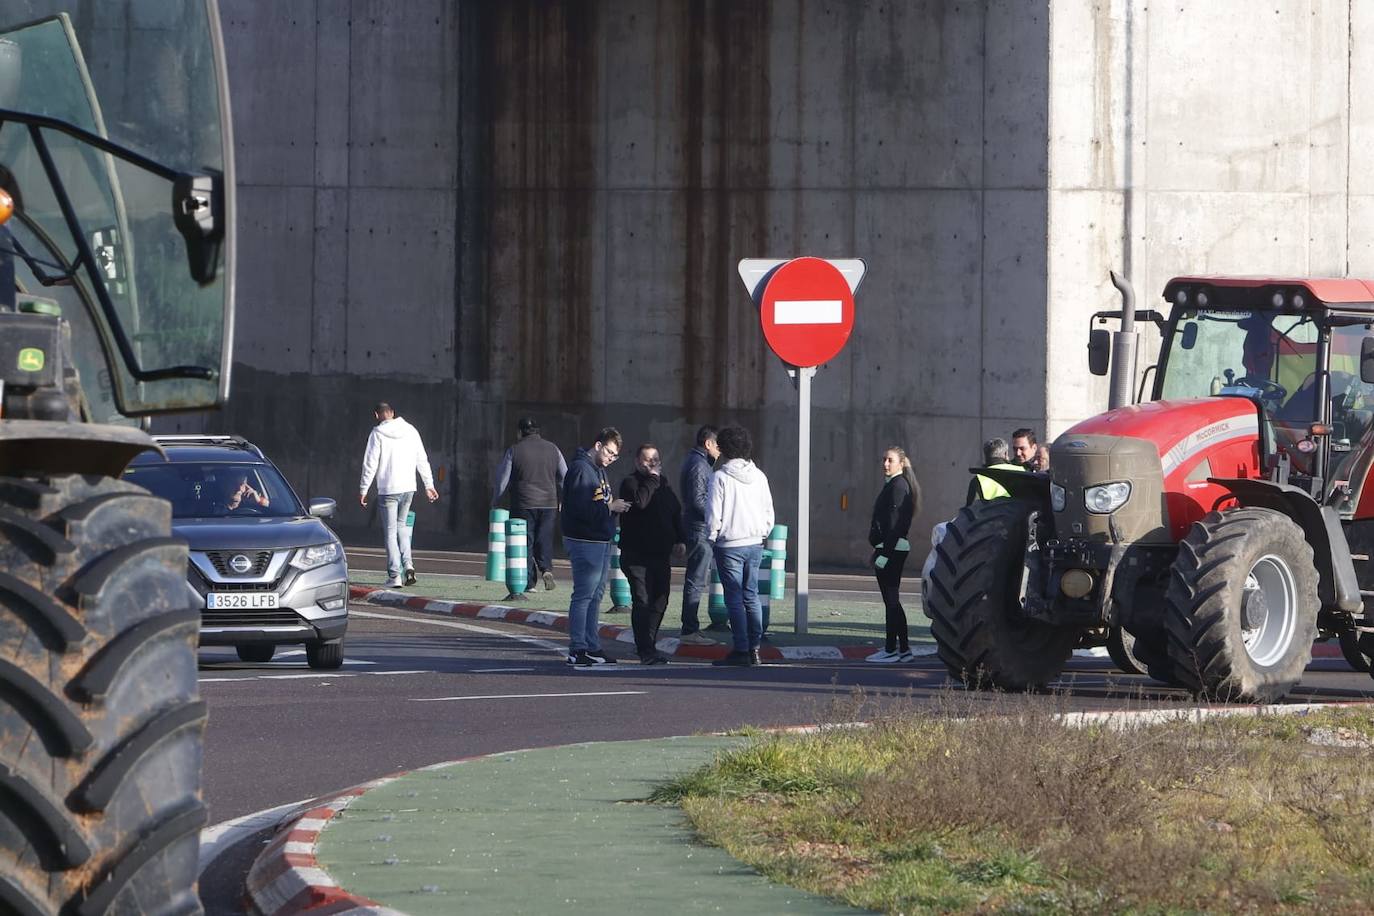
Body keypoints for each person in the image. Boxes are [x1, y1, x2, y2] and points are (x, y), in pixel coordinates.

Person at [561, 427, 631, 667]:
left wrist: (609, 508)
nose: (611, 459)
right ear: (598, 445)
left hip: (599, 539)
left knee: (595, 595)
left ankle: (591, 645)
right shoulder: (582, 469)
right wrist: (610, 508)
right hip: (585, 540)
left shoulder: (597, 469)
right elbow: (582, 509)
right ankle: (578, 647)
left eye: (615, 456)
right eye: (609, 453)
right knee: (584, 595)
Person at [706, 426, 775, 667]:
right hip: (755, 542)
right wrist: (763, 531)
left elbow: (713, 513)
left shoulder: (720, 477)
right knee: (751, 596)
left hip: (729, 544)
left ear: (724, 448)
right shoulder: (759, 476)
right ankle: (755, 648)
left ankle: (741, 648)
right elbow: (769, 511)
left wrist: (713, 535)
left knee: (733, 598)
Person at [618, 444, 686, 664]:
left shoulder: (664, 486)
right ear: (638, 462)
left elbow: (675, 512)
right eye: (647, 460)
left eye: (655, 459)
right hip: (636, 554)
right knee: (642, 600)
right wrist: (653, 479)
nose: (652, 463)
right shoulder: (631, 483)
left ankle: (650, 642)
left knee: (660, 600)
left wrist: (680, 539)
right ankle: (645, 650)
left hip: (660, 555)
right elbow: (640, 503)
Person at [359, 402, 439, 588]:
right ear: (393, 413)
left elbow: (370, 464)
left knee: (390, 532)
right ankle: (409, 566)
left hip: (388, 489)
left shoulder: (377, 434)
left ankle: (394, 575)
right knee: (402, 527)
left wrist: (364, 489)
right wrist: (429, 485)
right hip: (408, 487)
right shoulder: (411, 430)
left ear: (376, 415)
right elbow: (422, 458)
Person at [492, 417, 568, 592]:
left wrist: (496, 500)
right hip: (549, 503)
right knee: (544, 539)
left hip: (523, 502)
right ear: (538, 432)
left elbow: (502, 479)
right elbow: (565, 476)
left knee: (525, 541)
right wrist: (564, 499)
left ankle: (529, 582)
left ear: (520, 432)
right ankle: (546, 569)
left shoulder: (514, 450)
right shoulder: (553, 449)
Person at [865, 447, 921, 663]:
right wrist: (878, 549)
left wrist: (885, 554)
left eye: (890, 460)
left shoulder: (899, 485)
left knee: (891, 600)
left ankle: (893, 649)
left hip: (893, 549)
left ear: (901, 463)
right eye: (884, 459)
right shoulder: (894, 485)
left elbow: (896, 525)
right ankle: (901, 649)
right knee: (892, 601)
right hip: (889, 547)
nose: (885, 464)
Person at [677, 424, 720, 646]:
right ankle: (689, 629)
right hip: (699, 528)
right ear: (708, 443)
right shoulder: (699, 465)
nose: (720, 451)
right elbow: (697, 500)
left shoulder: (697, 462)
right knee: (696, 580)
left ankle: (690, 627)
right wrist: (717, 516)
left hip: (697, 527)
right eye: (718, 445)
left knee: (696, 579)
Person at [965, 438, 1023, 505]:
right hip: (1019, 514)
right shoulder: (1022, 472)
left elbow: (970, 509)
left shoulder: (978, 479)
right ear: (1006, 454)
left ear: (986, 456)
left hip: (990, 515)